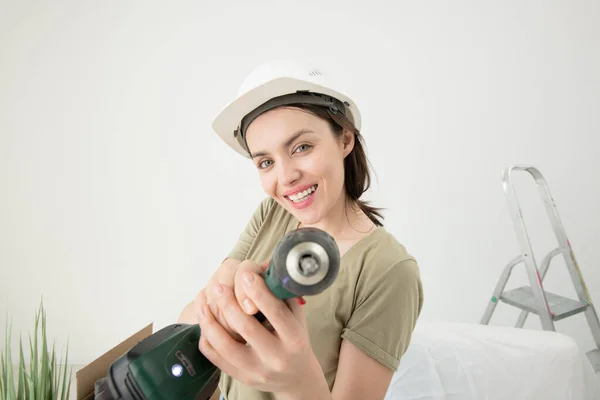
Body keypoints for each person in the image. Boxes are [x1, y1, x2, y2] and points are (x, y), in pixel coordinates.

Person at [178, 60, 424, 400]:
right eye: (266, 162)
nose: (286, 177)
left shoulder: (388, 270)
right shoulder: (272, 215)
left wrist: (296, 382)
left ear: (345, 140)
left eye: (301, 147)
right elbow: (190, 322)